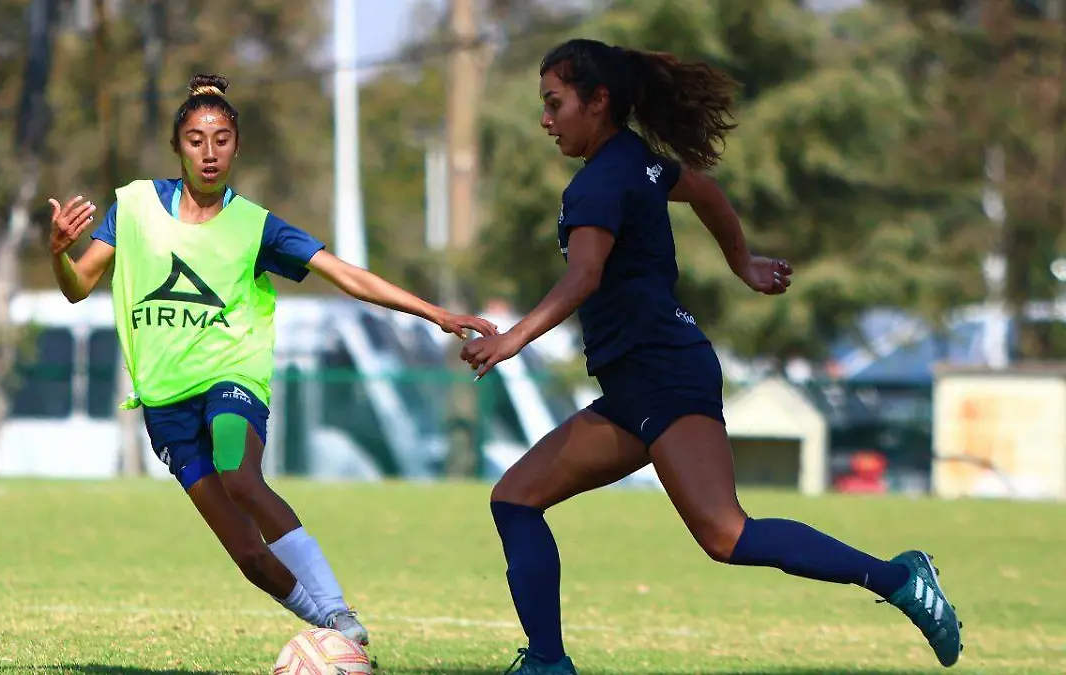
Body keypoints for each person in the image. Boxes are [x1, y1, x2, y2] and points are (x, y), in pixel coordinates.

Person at [459, 39, 963, 674]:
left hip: (661, 374)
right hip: (639, 384)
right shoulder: (636, 162)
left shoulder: (597, 185)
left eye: (555, 103)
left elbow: (584, 277)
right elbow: (704, 191)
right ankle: (547, 664)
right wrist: (742, 264)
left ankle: (897, 578)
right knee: (515, 498)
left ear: (598, 101)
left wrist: (511, 340)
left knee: (727, 534)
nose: (546, 119)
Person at [47, 73, 498, 647]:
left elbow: (348, 276)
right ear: (176, 145)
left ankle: (337, 611)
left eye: (221, 139)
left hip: (231, 380)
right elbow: (77, 286)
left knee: (239, 473)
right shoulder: (133, 207)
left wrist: (435, 313)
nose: (209, 153)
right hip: (164, 403)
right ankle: (338, 640)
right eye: (195, 139)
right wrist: (60, 253)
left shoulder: (257, 226)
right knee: (249, 558)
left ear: (237, 144)